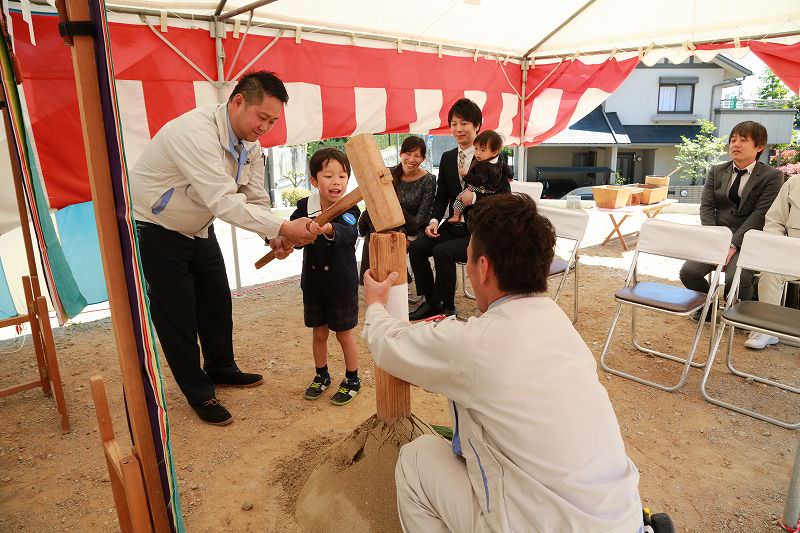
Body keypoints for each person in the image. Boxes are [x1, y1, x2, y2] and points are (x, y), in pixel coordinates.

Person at [362, 193, 643, 532]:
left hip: (537, 524)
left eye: (468, 255)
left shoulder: (476, 343)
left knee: (416, 459)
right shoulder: (558, 323)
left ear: (483, 267)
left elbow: (388, 345)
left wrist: (376, 305)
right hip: (620, 518)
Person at [132, 71, 315, 426]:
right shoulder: (194, 133)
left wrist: (273, 237)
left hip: (198, 227)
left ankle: (220, 368)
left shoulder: (251, 143)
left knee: (216, 302)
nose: (265, 127)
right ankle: (199, 393)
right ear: (237, 102)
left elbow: (253, 196)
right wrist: (281, 226)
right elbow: (222, 199)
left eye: (272, 121)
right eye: (261, 117)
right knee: (177, 317)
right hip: (157, 228)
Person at [408, 98, 511, 321]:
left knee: (441, 252)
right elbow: (442, 195)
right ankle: (431, 302)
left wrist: (474, 196)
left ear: (477, 126)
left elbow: (505, 197)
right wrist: (434, 220)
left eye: (463, 123)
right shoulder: (447, 158)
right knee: (418, 248)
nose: (458, 129)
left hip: (482, 231)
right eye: (453, 124)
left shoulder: (493, 158)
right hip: (455, 225)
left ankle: (447, 307)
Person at [679, 121, 782, 308]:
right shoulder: (717, 170)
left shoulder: (772, 176)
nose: (736, 144)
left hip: (749, 239)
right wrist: (717, 238)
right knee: (689, 272)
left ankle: (741, 309)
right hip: (717, 237)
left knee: (737, 278)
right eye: (733, 140)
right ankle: (707, 306)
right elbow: (707, 207)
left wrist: (734, 243)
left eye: (743, 140)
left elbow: (761, 214)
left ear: (759, 147)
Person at [291, 148, 362, 406]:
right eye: (329, 175)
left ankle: (352, 379)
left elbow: (349, 233)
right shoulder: (304, 208)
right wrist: (289, 239)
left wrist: (329, 228)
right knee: (318, 333)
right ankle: (321, 375)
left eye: (343, 176)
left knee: (344, 334)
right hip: (313, 285)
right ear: (314, 180)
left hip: (341, 284)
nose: (336, 182)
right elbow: (294, 237)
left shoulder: (350, 208)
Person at [358, 136, 436, 282]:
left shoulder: (429, 180)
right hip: (388, 224)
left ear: (423, 159)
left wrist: (404, 234)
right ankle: (376, 280)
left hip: (413, 228)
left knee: (387, 238)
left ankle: (394, 282)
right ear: (401, 154)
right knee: (374, 233)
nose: (411, 159)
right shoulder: (389, 173)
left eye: (417, 155)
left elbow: (423, 214)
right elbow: (377, 201)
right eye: (408, 153)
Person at [745, 174, 800, 349]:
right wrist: (778, 247)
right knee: (769, 269)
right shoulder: (794, 183)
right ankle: (766, 328)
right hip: (792, 255)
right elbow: (774, 222)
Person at [447, 130, 512, 224]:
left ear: (494, 152)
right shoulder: (499, 158)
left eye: (482, 150)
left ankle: (456, 215)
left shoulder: (483, 165)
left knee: (460, 197)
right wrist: (511, 175)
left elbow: (478, 181)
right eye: (476, 148)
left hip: (483, 190)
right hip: (490, 188)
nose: (477, 153)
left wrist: (466, 176)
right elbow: (507, 168)